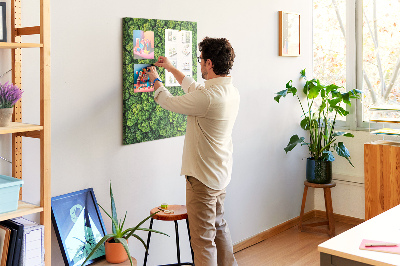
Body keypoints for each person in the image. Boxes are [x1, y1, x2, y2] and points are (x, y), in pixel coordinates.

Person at [144, 37, 239, 266]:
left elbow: (169, 101)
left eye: (200, 61)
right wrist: (171, 68)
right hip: (219, 175)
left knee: (203, 241)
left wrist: (155, 79)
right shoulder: (230, 92)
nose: (199, 65)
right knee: (219, 229)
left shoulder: (207, 98)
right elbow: (194, 87)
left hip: (202, 179)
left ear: (209, 63)